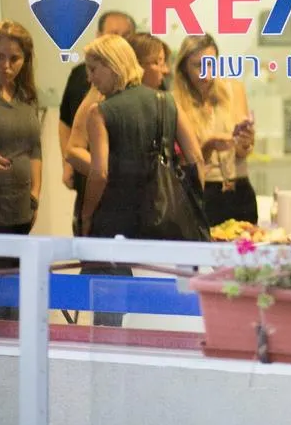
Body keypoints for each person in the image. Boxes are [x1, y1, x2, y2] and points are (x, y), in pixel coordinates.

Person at [73, 35, 202, 325]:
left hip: (113, 226)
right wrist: (192, 204)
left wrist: (86, 215)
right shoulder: (167, 102)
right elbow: (196, 158)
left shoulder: (100, 111)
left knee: (109, 317)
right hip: (162, 222)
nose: (90, 78)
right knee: (160, 314)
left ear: (113, 66)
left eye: (93, 69)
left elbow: (100, 172)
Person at [57, 10, 135, 235]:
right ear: (99, 35)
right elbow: (65, 122)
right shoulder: (80, 75)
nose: (120, 41)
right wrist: (67, 164)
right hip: (90, 175)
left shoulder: (138, 78)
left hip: (127, 183)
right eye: (114, 34)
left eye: (126, 35)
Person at [173, 34, 258, 227]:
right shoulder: (175, 102)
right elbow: (181, 164)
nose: (206, 74)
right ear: (184, 67)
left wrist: (245, 141)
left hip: (239, 188)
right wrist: (208, 145)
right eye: (198, 66)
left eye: (211, 64)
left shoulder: (234, 90)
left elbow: (242, 152)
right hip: (202, 191)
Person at [0, 21, 43, 320]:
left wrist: (35, 196)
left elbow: (35, 150)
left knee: (19, 297)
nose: (6, 66)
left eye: (14, 59)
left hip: (22, 208)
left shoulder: (26, 96)